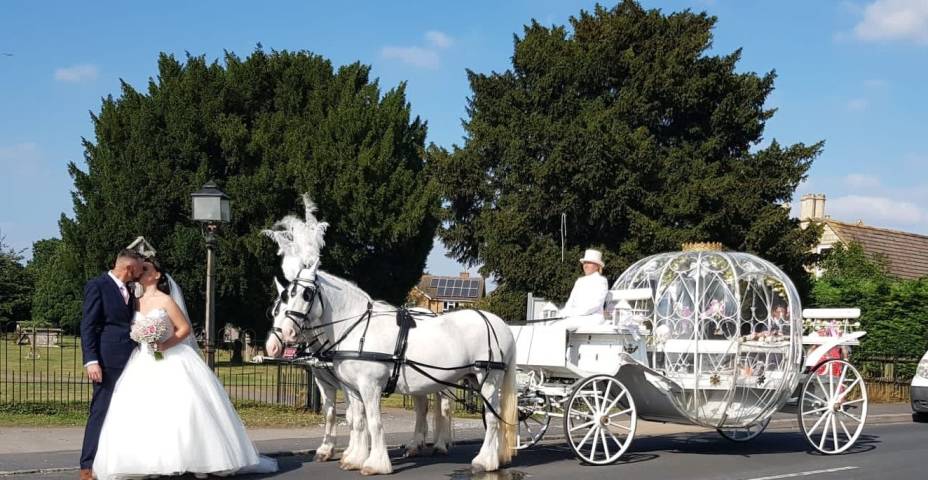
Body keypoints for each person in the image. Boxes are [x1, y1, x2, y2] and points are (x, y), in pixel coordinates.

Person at [92, 256, 277, 479]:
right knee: (144, 411)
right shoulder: (135, 301)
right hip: (142, 360)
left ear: (157, 275)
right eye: (141, 269)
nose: (141, 272)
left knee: (182, 407)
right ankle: (148, 461)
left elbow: (184, 329)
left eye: (147, 269)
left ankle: (194, 458)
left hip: (169, 356)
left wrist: (163, 343)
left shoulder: (166, 300)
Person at [79, 249, 145, 480]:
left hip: (131, 360)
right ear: (129, 268)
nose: (142, 271)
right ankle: (87, 466)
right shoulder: (98, 285)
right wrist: (91, 360)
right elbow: (88, 326)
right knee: (100, 410)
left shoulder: (130, 290)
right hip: (107, 361)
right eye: (140, 267)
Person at [557, 249, 609, 329]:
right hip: (575, 317)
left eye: (589, 263)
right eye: (585, 263)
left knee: (561, 326)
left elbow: (595, 305)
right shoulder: (579, 281)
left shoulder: (601, 281)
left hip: (593, 317)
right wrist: (563, 313)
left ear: (597, 266)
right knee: (550, 323)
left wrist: (572, 313)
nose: (585, 265)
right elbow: (570, 302)